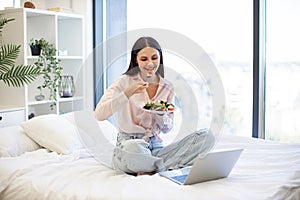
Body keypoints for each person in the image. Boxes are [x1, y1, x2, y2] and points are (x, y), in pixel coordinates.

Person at [95, 36, 215, 175]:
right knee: (134, 149)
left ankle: (149, 167)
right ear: (135, 60)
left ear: (160, 58)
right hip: (129, 145)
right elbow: (99, 114)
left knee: (206, 137)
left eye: (154, 58)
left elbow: (167, 129)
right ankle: (164, 165)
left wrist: (161, 113)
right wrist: (128, 92)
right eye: (144, 59)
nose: (150, 64)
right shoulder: (124, 82)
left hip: (156, 146)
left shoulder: (167, 87)